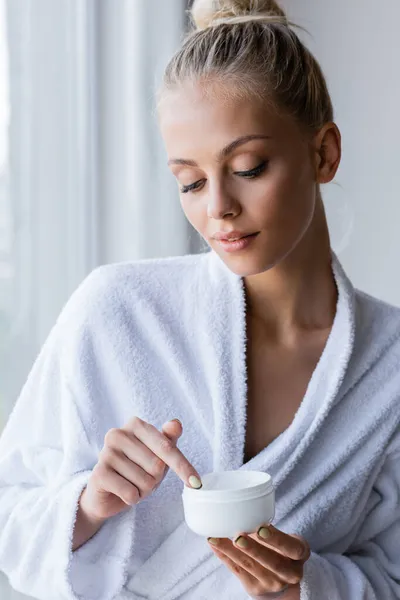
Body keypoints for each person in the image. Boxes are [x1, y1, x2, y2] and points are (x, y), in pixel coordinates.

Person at [0, 0, 399, 598]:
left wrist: (304, 586)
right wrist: (85, 505)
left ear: (324, 153)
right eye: (189, 181)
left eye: (248, 166)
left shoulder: (389, 366)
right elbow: (10, 511)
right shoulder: (115, 312)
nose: (217, 208)